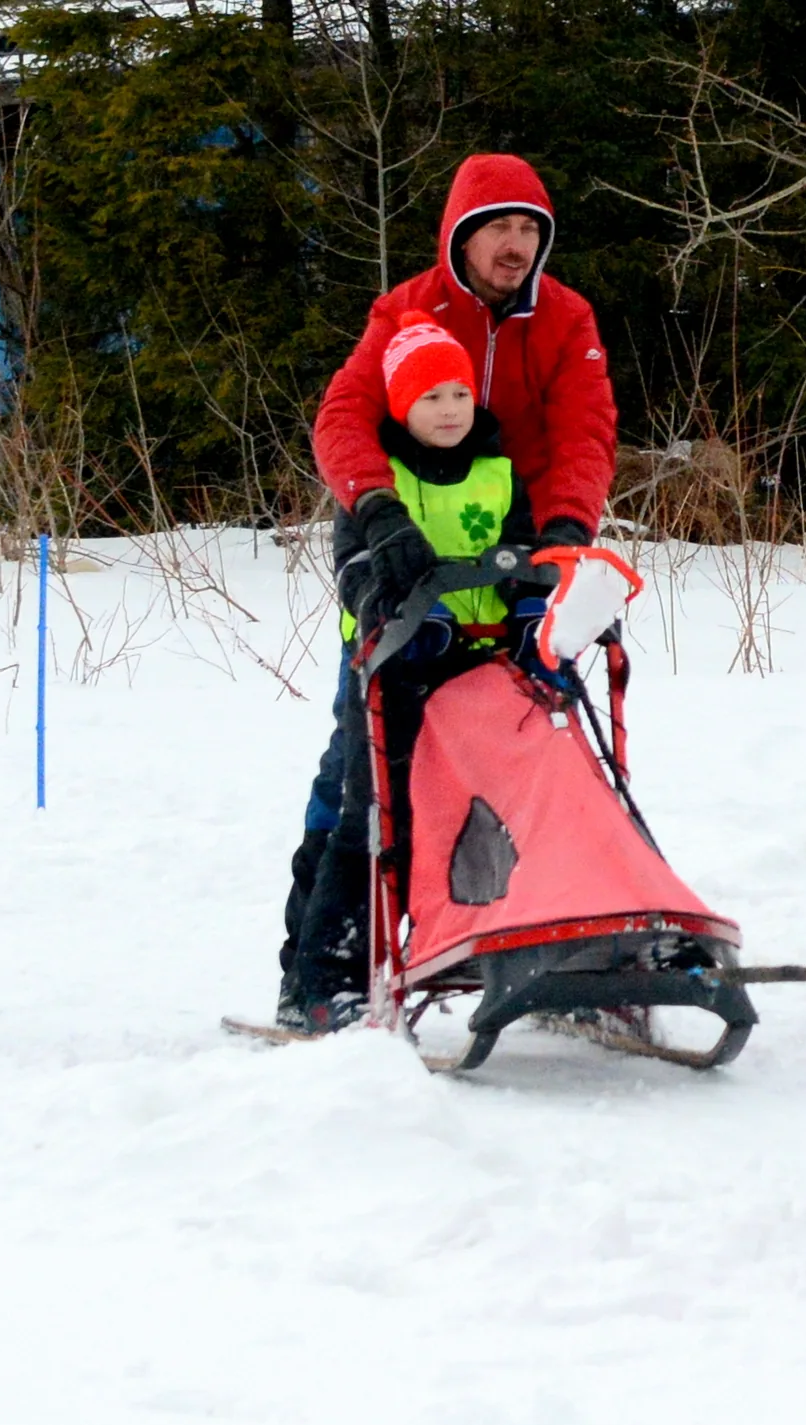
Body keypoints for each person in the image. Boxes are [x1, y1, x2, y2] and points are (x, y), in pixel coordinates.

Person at [276, 153, 618, 1027]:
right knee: (364, 767)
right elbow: (342, 415)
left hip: (517, 566)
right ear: (461, 235)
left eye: (529, 230)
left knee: (538, 755)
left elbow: (585, 432)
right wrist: (379, 512)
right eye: (498, 228)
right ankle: (319, 970)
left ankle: (551, 941)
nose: (515, 246)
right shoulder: (410, 311)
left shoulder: (567, 317)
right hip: (402, 569)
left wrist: (566, 537)